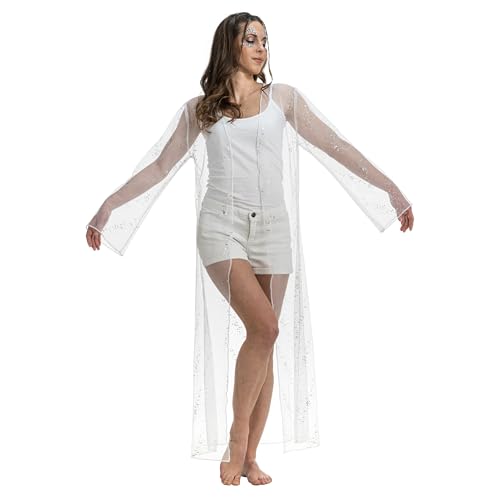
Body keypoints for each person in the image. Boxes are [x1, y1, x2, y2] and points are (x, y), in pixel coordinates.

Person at [86, 12, 414, 487]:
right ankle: (236, 439)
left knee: (265, 337)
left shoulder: (284, 100)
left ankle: (251, 456)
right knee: (265, 326)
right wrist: (108, 207)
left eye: (265, 40)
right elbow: (159, 167)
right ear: (230, 47)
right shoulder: (200, 110)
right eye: (251, 40)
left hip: (274, 229)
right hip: (221, 227)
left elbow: (337, 147)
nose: (262, 48)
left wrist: (391, 190)